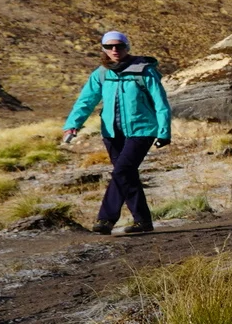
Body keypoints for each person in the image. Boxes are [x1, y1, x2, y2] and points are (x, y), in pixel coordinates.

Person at [61, 31, 171, 235]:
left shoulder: (144, 71)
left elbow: (160, 102)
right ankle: (143, 221)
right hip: (111, 132)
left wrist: (164, 132)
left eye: (119, 46)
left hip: (142, 130)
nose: (114, 50)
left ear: (127, 47)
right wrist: (73, 124)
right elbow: (86, 101)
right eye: (109, 47)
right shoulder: (101, 74)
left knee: (121, 172)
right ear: (103, 49)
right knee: (127, 175)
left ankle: (105, 219)